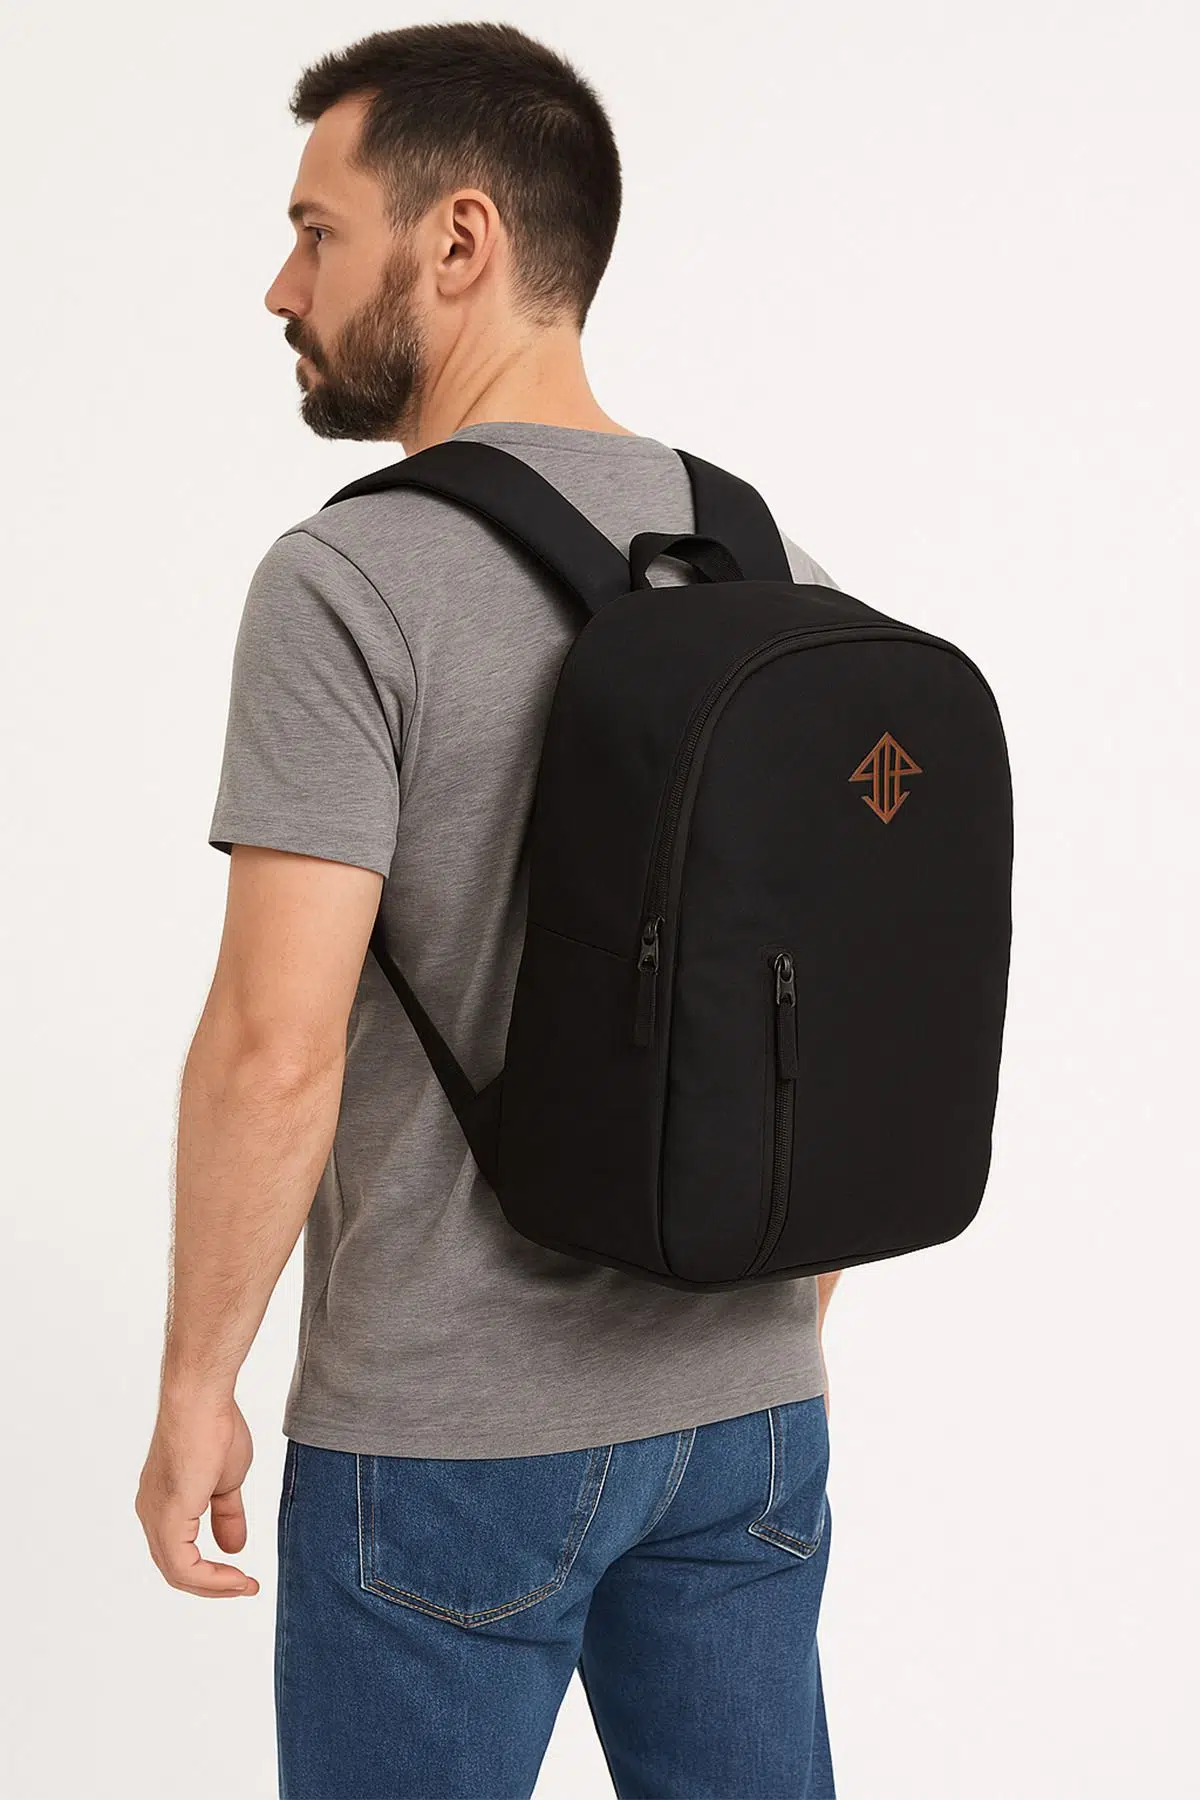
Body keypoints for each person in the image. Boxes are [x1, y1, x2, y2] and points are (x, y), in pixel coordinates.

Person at [135, 22, 843, 1799]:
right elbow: (829, 1001)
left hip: (449, 1440)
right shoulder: (774, 566)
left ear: (459, 240)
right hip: (751, 1415)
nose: (281, 286)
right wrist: (779, 1313)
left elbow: (275, 1042)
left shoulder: (350, 578)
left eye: (316, 231)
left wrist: (198, 1385)